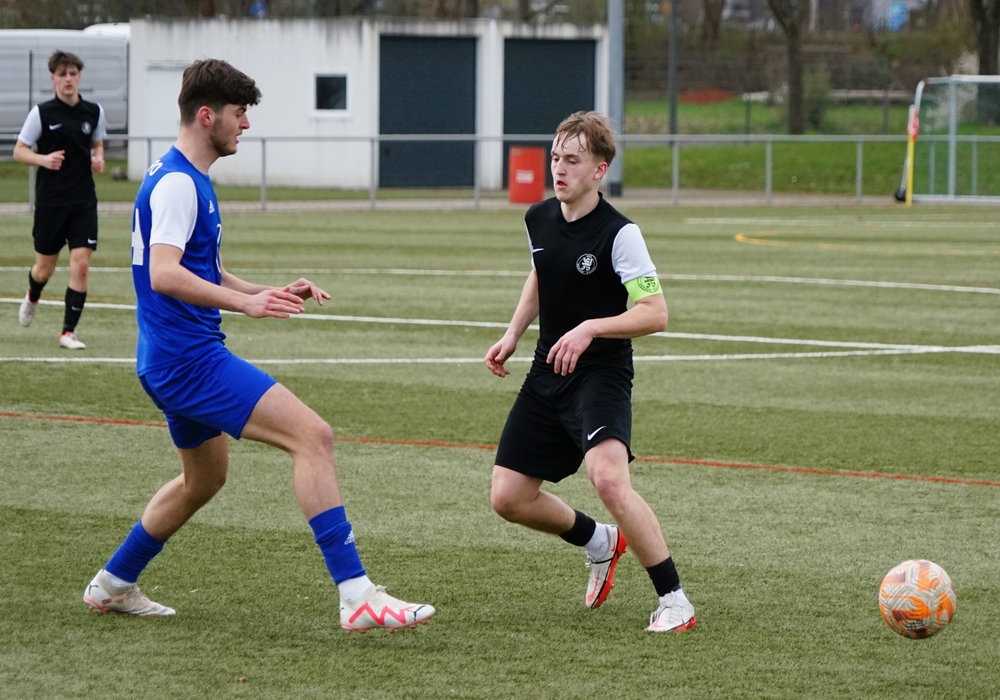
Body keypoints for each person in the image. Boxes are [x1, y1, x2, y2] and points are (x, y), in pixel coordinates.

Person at [83, 59, 435, 634]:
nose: (245, 124)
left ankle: (113, 584)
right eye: (239, 113)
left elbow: (206, 270)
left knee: (204, 480)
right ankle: (357, 595)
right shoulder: (178, 183)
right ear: (207, 115)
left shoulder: (182, 177)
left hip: (169, 359)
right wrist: (244, 305)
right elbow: (165, 274)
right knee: (313, 436)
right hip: (188, 360)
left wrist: (265, 291)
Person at [485, 112, 695, 632]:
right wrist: (513, 333)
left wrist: (590, 328)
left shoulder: (620, 234)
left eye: (573, 160)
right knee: (508, 498)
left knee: (608, 480)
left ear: (600, 169)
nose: (559, 169)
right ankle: (599, 541)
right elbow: (542, 272)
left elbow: (655, 314)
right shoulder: (538, 217)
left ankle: (675, 601)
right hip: (547, 370)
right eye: (555, 158)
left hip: (600, 372)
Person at [14, 51, 106, 350]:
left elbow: (97, 143)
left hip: (83, 200)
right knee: (44, 268)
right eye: (62, 74)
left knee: (81, 264)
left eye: (73, 74)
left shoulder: (94, 111)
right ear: (53, 78)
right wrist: (43, 159)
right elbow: (19, 151)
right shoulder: (41, 113)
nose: (68, 79)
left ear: (80, 76)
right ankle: (33, 294)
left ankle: (68, 332)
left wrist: (98, 158)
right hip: (51, 202)